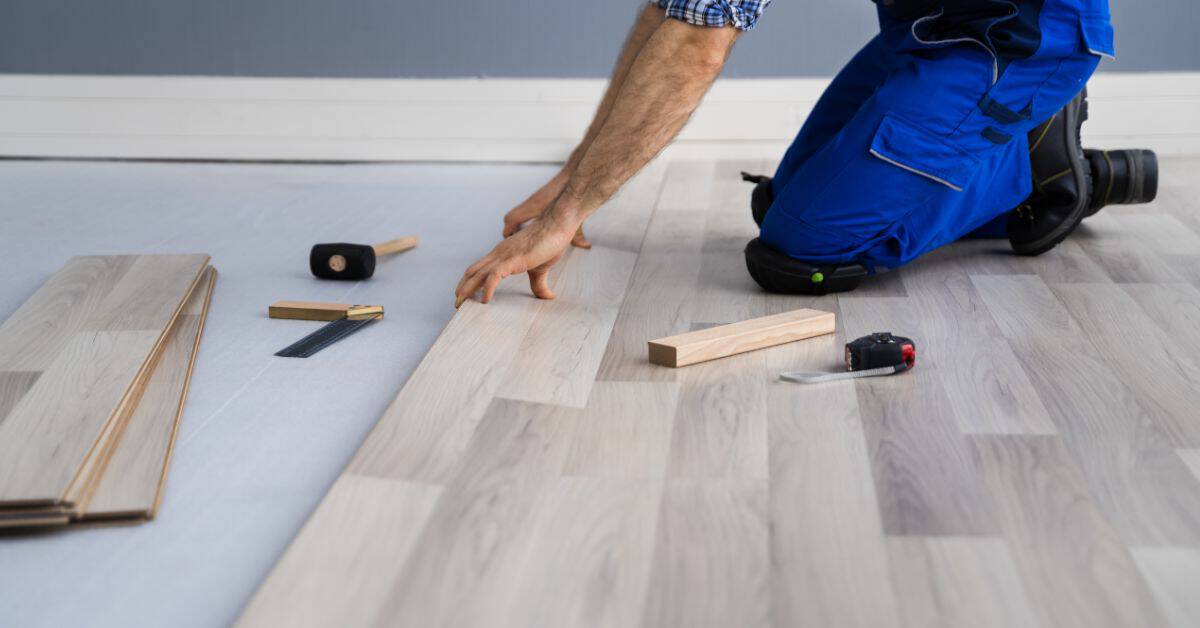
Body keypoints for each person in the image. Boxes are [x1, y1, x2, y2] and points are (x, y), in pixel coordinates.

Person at [455, 0, 1156, 306]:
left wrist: (572, 209)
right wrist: (572, 181)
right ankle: (1015, 150)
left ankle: (1039, 162)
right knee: (780, 203)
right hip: (933, 33)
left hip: (1022, 42)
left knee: (800, 249)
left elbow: (700, 43)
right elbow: (673, 10)